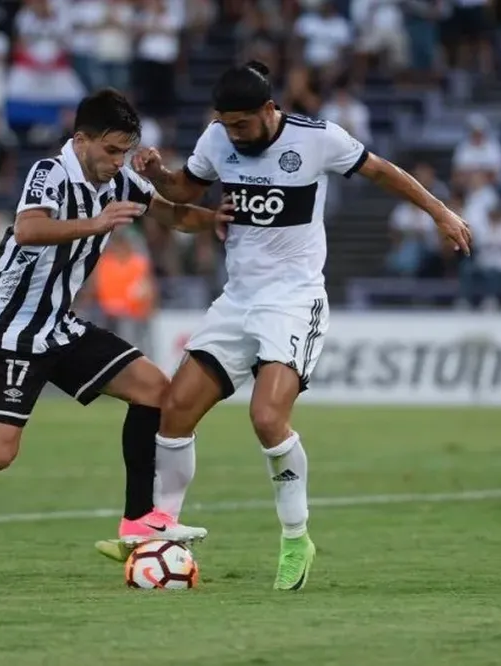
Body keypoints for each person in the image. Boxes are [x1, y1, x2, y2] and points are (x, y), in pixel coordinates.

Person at [96, 61, 472, 591]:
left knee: (267, 417)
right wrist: (158, 175)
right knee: (176, 410)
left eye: (242, 125)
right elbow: (184, 190)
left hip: (294, 301)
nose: (234, 135)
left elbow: (382, 171)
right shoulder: (217, 137)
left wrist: (441, 213)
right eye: (226, 125)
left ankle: (296, 538)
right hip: (238, 300)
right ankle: (162, 530)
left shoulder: (318, 139)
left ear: (269, 111)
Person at [0, 89, 231, 587]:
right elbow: (29, 228)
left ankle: (138, 517)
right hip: (11, 331)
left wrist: (220, 221)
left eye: (124, 152)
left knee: (157, 392)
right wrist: (96, 223)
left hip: (58, 324)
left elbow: (173, 214)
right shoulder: (49, 174)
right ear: (81, 140)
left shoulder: (120, 181)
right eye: (111, 151)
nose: (117, 162)